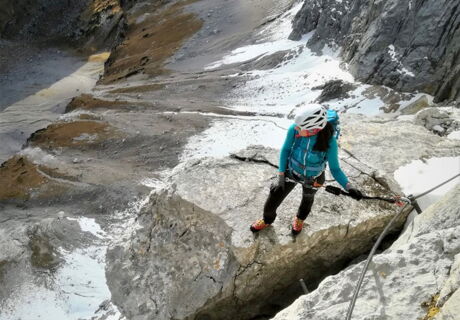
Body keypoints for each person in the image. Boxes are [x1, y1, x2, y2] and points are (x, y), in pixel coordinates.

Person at [250, 104, 363, 235]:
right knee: (273, 198)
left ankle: (299, 219)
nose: (296, 129)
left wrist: (349, 187)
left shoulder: (329, 141)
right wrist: (281, 175)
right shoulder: (295, 129)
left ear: (313, 129)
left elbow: (335, 169)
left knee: (307, 201)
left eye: (300, 128)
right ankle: (267, 220)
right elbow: (286, 150)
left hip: (314, 178)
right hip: (291, 172)